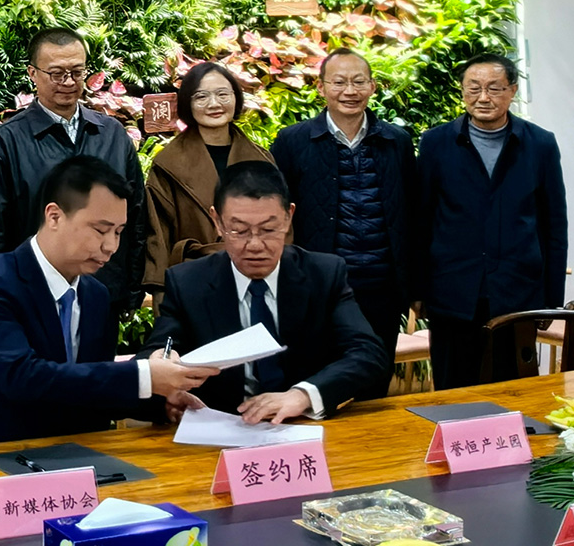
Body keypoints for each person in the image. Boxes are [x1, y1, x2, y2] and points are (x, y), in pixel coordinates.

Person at [0, 156, 217, 449]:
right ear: (54, 216)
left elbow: (90, 389)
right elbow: (21, 377)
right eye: (100, 230)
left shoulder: (96, 295)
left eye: (118, 232)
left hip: (74, 455)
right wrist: (143, 375)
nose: (111, 246)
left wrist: (160, 401)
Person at [139, 161, 388, 424]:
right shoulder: (188, 283)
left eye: (269, 229)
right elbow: (154, 356)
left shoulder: (323, 274)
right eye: (239, 230)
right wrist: (165, 385)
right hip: (221, 427)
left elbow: (368, 353)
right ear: (217, 221)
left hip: (303, 424)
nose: (255, 245)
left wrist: (303, 395)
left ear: (289, 217)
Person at [0, 28, 145, 335]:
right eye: (57, 73)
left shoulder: (112, 135)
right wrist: (1, 299)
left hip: (101, 294)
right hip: (31, 301)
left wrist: (131, 290)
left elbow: (137, 216)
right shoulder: (7, 142)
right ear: (32, 74)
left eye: (77, 72)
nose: (68, 82)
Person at [271, 48, 417, 395]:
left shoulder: (396, 141)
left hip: (383, 284)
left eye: (358, 82)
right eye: (338, 82)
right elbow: (278, 213)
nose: (349, 91)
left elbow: (413, 212)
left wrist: (415, 286)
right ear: (321, 87)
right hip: (319, 285)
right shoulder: (292, 140)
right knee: (317, 377)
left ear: (373, 87)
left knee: (375, 376)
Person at [417, 54, 567, 390]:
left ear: (512, 90)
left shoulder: (540, 144)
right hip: (452, 291)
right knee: (454, 391)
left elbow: (554, 226)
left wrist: (551, 299)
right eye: (474, 88)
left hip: (517, 292)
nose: (483, 97)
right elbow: (422, 219)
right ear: (462, 91)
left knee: (515, 390)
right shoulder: (436, 143)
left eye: (494, 88)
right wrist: (419, 290)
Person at [144, 62, 274, 308]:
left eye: (223, 94)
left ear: (236, 98)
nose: (214, 104)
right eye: (201, 96)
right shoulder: (168, 164)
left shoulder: (262, 159)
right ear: (187, 103)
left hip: (255, 277)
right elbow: (157, 235)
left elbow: (280, 228)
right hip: (193, 281)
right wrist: (160, 293)